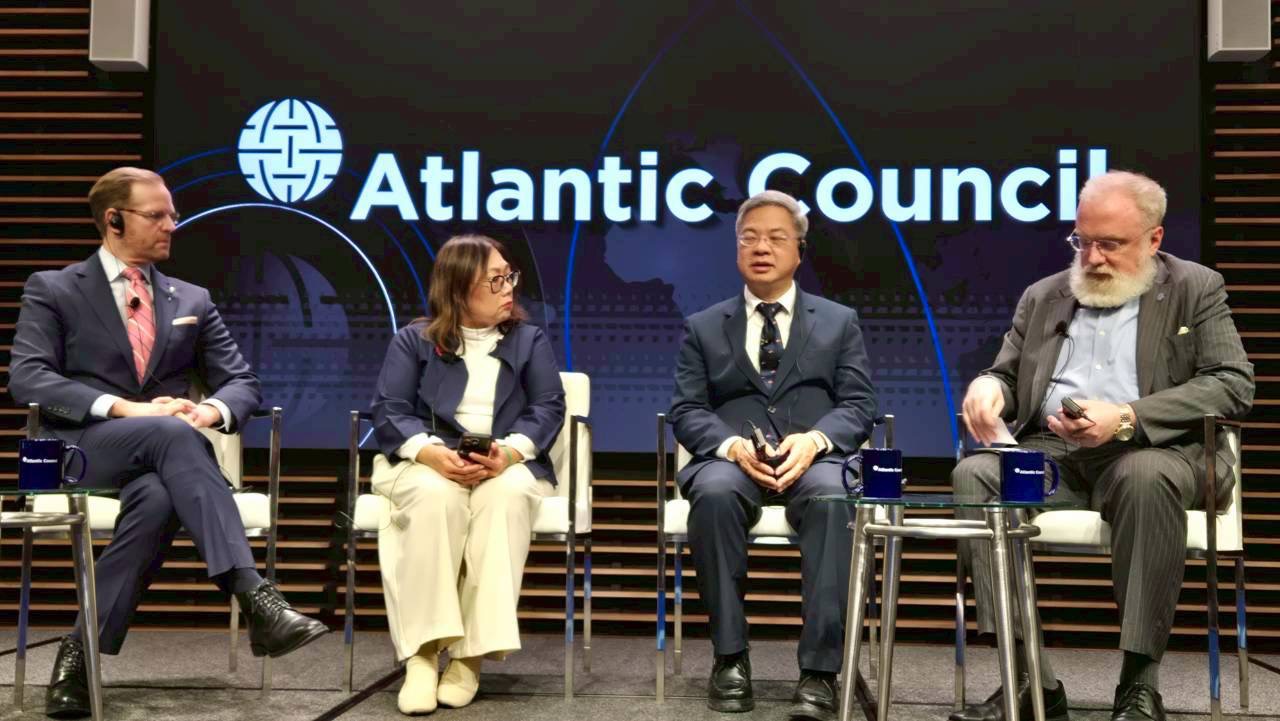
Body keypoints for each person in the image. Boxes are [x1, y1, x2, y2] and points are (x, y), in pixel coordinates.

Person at [9, 167, 328, 719]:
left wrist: (206, 410)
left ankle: (78, 661)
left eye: (172, 215)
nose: (171, 226)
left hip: (161, 458)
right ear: (113, 220)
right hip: (76, 451)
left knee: (159, 496)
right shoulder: (54, 288)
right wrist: (126, 408)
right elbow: (28, 378)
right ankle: (254, 593)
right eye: (156, 216)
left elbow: (241, 382)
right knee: (168, 432)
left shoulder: (192, 299)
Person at [952, 170, 1254, 721]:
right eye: (1082, 240)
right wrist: (989, 386)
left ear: (1154, 239)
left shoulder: (1195, 288)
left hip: (1157, 452)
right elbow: (1008, 375)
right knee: (976, 475)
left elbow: (1233, 384)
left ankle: (1139, 684)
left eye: (1110, 244)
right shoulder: (1044, 295)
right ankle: (1029, 681)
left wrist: (1128, 417)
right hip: (1055, 455)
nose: (1092, 258)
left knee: (1144, 477)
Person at [669, 190, 878, 721]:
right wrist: (730, 445)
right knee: (714, 494)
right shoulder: (703, 326)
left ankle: (820, 672)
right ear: (737, 248)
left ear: (799, 251)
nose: (761, 248)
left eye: (775, 238)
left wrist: (815, 440)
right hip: (731, 462)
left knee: (833, 499)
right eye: (749, 238)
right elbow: (687, 409)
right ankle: (729, 658)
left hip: (815, 462)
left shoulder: (838, 321)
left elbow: (859, 405)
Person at [370, 234, 565, 715]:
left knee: (506, 498)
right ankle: (422, 655)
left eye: (509, 276)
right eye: (494, 280)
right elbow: (390, 410)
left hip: (506, 463)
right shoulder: (414, 340)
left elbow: (548, 407)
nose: (508, 287)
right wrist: (431, 453)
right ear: (457, 290)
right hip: (424, 462)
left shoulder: (529, 340)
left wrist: (510, 453)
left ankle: (469, 657)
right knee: (436, 498)